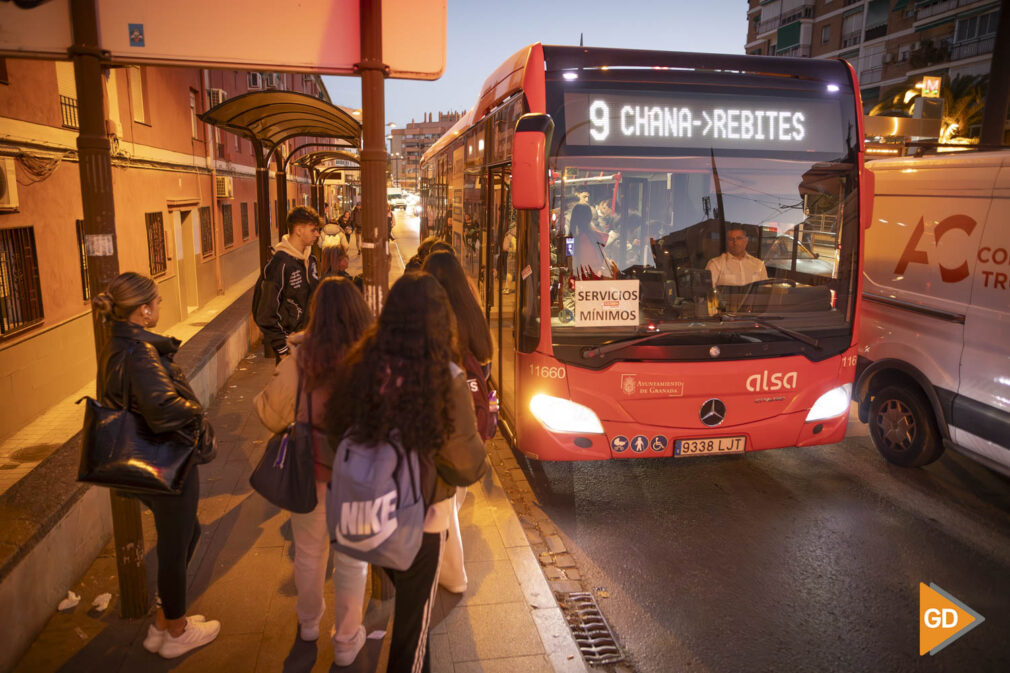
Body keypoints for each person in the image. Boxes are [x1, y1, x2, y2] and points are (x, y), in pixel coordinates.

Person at [325, 272, 487, 673]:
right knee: (413, 632)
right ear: (440, 321)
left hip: (373, 508)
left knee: (412, 620)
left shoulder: (361, 364)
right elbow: (465, 463)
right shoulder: (444, 379)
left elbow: (336, 431)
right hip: (423, 522)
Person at [92, 272, 220, 659]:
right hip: (166, 462)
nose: (160, 308)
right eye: (157, 302)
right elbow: (163, 408)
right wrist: (196, 412)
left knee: (184, 534)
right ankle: (177, 631)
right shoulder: (141, 352)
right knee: (177, 541)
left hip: (144, 460)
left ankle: (164, 623)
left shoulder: (117, 343)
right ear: (144, 310)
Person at [253, 278, 373, 665]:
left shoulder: (300, 359)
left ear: (317, 314)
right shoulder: (374, 358)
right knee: (353, 560)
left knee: (308, 553)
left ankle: (308, 626)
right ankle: (346, 641)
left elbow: (272, 413)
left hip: (311, 470)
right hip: (359, 476)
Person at [422, 251, 495, 594]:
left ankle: (452, 573)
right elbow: (485, 358)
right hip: (471, 424)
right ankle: (449, 569)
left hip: (445, 419)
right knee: (453, 495)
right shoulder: (470, 312)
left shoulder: (433, 316)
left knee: (445, 502)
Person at [253, 205, 321, 362]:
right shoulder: (279, 265)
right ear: (299, 230)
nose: (317, 234)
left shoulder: (310, 260)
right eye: (313, 230)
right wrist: (283, 350)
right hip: (291, 350)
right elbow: (265, 314)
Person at [571, 203, 618, 280]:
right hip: (595, 278)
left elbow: (571, 262)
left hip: (584, 280)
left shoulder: (572, 238)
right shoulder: (593, 236)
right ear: (590, 217)